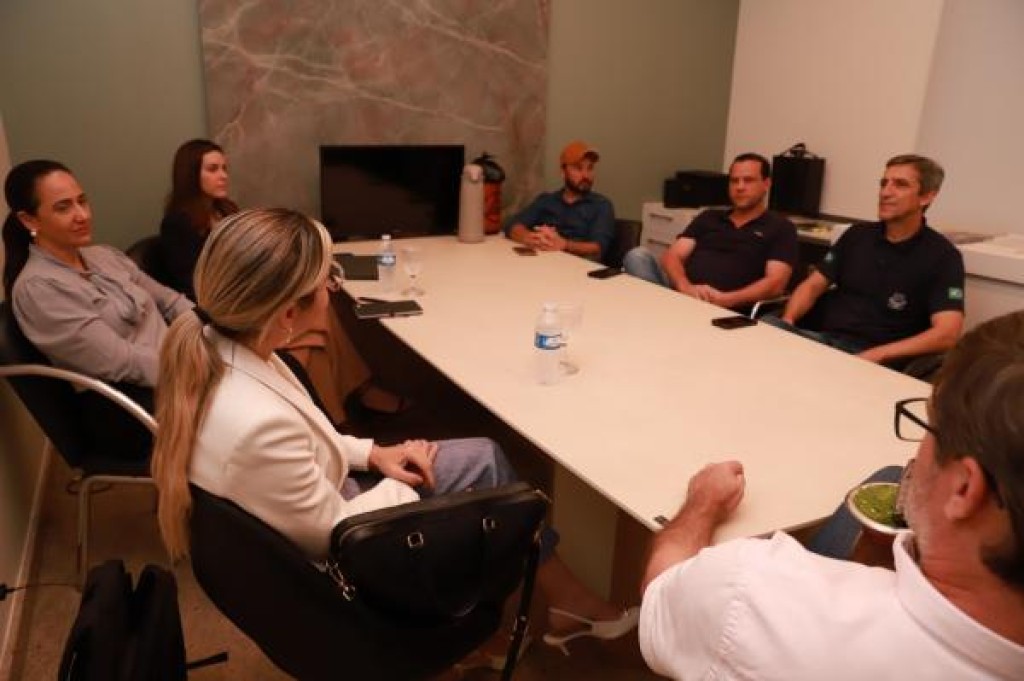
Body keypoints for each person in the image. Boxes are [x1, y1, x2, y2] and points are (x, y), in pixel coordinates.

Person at [151, 207, 639, 658]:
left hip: (320, 501)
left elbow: (302, 439)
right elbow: (335, 535)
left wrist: (375, 454)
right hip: (348, 558)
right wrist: (398, 484)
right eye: (327, 282)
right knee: (502, 489)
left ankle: (546, 603)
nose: (332, 291)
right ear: (287, 315)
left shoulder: (225, 347)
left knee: (485, 456)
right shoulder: (255, 422)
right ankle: (499, 615)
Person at [639, 311, 1024, 679]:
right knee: (890, 476)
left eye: (928, 426)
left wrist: (702, 505)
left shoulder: (748, 591)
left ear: (964, 488)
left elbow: (659, 595)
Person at [159, 138, 405, 425]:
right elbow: (200, 286)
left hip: (256, 300)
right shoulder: (178, 224)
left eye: (225, 168)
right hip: (238, 316)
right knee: (318, 328)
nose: (223, 175)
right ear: (190, 175)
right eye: (213, 169)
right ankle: (343, 412)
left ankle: (335, 421)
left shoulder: (226, 211)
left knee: (318, 331)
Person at [2, 159, 192, 459]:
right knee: (245, 417)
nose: (82, 215)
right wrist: (194, 367)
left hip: (174, 376)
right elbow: (120, 362)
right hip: (128, 407)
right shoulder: (38, 289)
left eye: (82, 201)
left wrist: (211, 332)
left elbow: (170, 301)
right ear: (29, 221)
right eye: (63, 208)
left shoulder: (104, 256)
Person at [768, 154, 965, 366]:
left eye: (900, 185)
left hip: (875, 357)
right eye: (884, 183)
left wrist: (879, 354)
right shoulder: (857, 235)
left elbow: (947, 333)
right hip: (822, 339)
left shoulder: (943, 257)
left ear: (926, 196)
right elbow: (813, 285)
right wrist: (788, 320)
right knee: (766, 327)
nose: (885, 192)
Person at [623, 153, 798, 312]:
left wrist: (726, 300)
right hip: (684, 296)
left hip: (728, 308)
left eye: (748, 180)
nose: (740, 187)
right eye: (734, 181)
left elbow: (775, 283)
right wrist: (686, 288)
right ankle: (664, 311)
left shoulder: (781, 227)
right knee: (637, 256)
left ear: (766, 184)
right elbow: (672, 256)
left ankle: (659, 313)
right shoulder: (709, 217)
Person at [504, 140, 615, 260]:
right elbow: (512, 225)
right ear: (563, 172)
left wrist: (564, 244)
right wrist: (529, 238)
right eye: (578, 168)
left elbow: (598, 248)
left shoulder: (601, 205)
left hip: (578, 265)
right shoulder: (546, 200)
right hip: (543, 260)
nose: (585, 175)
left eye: (590, 168)